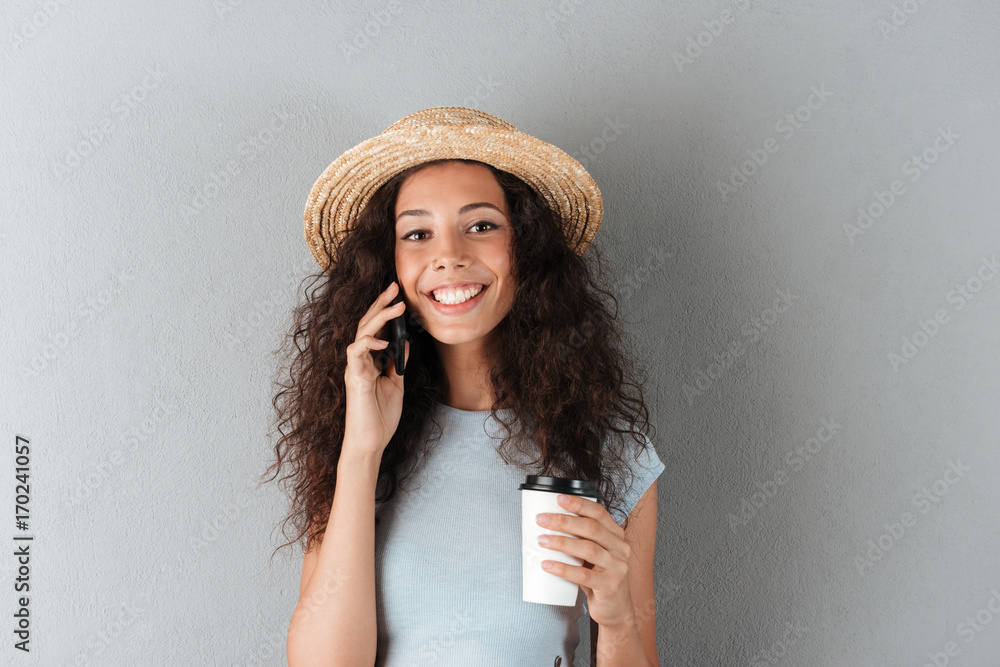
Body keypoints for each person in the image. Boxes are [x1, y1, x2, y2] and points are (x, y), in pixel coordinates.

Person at [265, 107, 664, 666]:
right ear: (390, 265)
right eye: (417, 233)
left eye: (481, 225)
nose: (448, 255)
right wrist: (361, 451)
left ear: (525, 249)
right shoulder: (353, 443)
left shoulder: (609, 450)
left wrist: (619, 618)